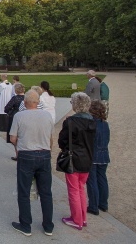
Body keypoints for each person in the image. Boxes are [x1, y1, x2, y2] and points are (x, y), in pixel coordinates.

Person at [9, 90, 55, 237]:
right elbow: (50, 137)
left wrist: (19, 145)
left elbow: (12, 138)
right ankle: (48, 226)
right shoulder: (47, 115)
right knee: (46, 192)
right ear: (38, 102)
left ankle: (25, 224)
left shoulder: (19, 116)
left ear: (25, 102)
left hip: (26, 154)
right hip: (44, 153)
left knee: (24, 191)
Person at [58, 92, 96, 230]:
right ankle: (82, 218)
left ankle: (77, 219)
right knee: (81, 188)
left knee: (74, 190)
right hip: (87, 158)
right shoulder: (92, 121)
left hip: (74, 159)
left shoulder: (71, 122)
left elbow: (62, 141)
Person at [86, 100, 110, 216]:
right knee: (102, 178)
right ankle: (103, 204)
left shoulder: (91, 124)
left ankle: (93, 206)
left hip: (93, 155)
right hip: (104, 154)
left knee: (92, 180)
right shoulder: (105, 124)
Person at [5, 83, 25, 161]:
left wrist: (11, 112)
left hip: (15, 116)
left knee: (14, 136)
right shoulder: (27, 97)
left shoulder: (15, 98)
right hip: (25, 116)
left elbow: (6, 108)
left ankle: (18, 154)